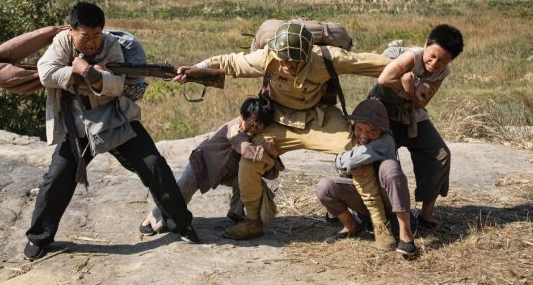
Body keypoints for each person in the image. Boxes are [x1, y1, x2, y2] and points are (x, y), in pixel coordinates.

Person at [173, 22, 393, 240]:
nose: (286, 63)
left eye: (293, 59)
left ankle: (379, 224)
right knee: (249, 161)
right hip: (278, 120)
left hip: (319, 119)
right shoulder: (268, 56)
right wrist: (194, 69)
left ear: (306, 55)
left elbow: (370, 62)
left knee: (356, 154)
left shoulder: (326, 58)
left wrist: (417, 63)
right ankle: (252, 221)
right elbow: (231, 63)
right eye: (282, 57)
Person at [23, 1, 198, 260]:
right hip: (78, 124)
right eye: (85, 36)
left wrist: (89, 74)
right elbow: (46, 72)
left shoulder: (111, 44)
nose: (92, 42)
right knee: (58, 176)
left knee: (154, 164)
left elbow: (116, 85)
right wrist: (79, 70)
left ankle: (180, 223)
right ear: (71, 30)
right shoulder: (61, 42)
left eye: (96, 35)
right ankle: (39, 237)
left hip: (114, 119)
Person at [368, 24, 464, 231]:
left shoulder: (443, 71)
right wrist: (410, 88)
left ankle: (426, 215)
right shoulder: (413, 56)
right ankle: (389, 214)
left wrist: (411, 90)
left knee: (440, 155)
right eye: (432, 56)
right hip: (383, 113)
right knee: (387, 162)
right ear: (426, 46)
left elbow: (423, 103)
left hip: (412, 115)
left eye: (443, 60)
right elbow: (384, 79)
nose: (435, 63)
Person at [140, 96, 282, 234]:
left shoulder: (256, 136)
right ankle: (152, 220)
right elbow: (245, 150)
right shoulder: (234, 129)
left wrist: (272, 160)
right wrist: (269, 160)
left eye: (257, 128)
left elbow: (271, 170)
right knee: (181, 192)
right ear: (242, 116)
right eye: (250, 124)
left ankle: (236, 213)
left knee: (245, 181)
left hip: (223, 171)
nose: (251, 130)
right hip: (202, 163)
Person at [318, 98, 416, 256]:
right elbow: (342, 168)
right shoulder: (353, 139)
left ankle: (406, 235)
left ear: (382, 130)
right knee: (325, 187)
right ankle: (352, 226)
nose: (364, 135)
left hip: (389, 205)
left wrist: (342, 162)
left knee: (389, 168)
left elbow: (348, 160)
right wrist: (346, 170)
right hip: (365, 204)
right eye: (359, 129)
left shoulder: (385, 141)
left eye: (372, 131)